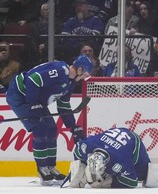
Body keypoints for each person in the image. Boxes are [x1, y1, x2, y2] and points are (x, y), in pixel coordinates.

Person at [6, 54, 93, 186]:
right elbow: (33, 79)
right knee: (40, 129)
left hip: (35, 100)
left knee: (52, 129)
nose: (85, 77)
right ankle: (42, 168)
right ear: (80, 69)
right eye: (85, 73)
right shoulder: (60, 71)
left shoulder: (70, 83)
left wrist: (73, 127)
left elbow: (63, 107)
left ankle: (51, 167)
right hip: (19, 95)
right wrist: (33, 103)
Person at [63, 127, 158, 188]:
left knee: (144, 175)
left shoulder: (120, 161)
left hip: (133, 142)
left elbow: (132, 182)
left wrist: (110, 182)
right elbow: (77, 153)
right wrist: (82, 166)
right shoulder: (87, 146)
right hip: (114, 136)